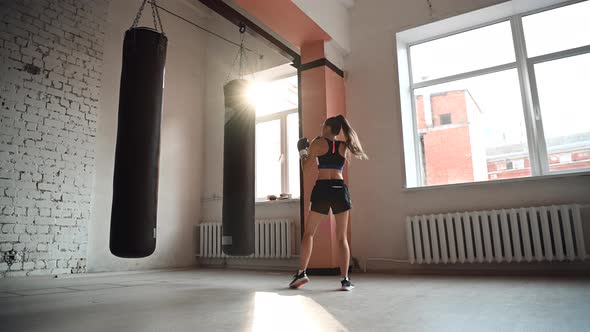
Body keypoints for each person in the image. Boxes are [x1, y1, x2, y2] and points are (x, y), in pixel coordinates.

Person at [290, 114, 368, 291]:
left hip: (323, 188)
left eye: (322, 124)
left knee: (309, 234)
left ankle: (301, 273)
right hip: (340, 189)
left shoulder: (317, 142)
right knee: (342, 238)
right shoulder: (344, 146)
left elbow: (306, 168)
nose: (320, 127)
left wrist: (302, 151)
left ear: (326, 128)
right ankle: (345, 279)